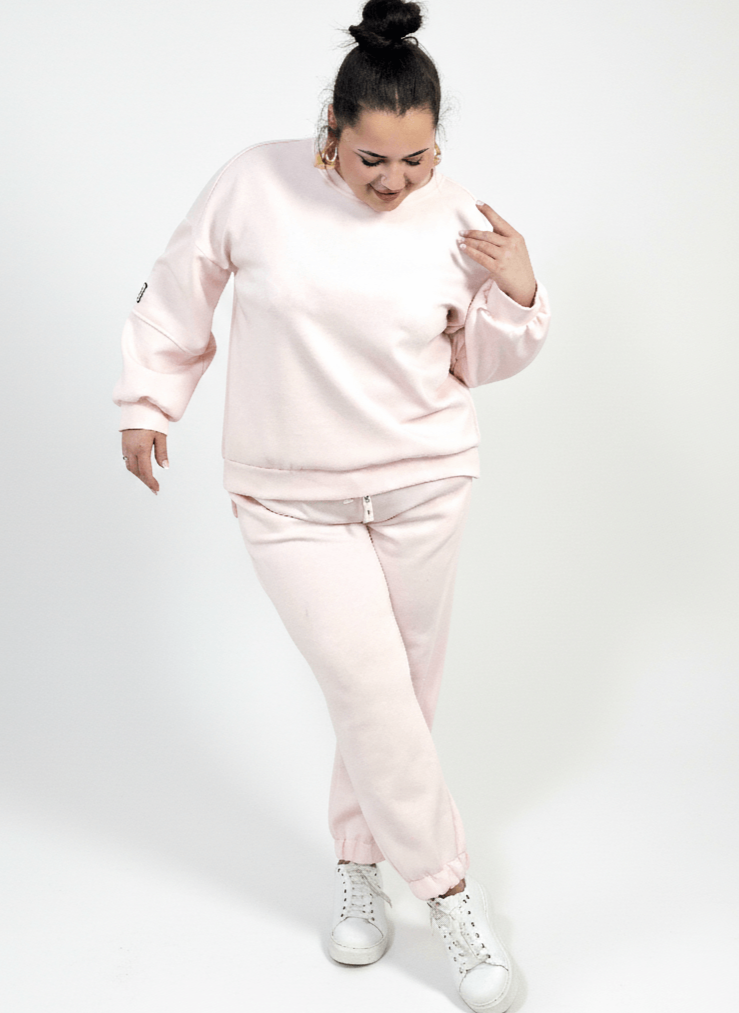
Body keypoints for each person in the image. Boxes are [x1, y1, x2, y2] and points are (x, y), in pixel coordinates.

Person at [114, 1, 550, 1009]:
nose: (395, 182)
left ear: (437, 144)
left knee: (400, 696)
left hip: (424, 480)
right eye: (372, 161)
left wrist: (519, 293)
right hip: (288, 494)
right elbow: (181, 286)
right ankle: (449, 892)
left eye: (417, 160)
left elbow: (476, 362)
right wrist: (145, 399)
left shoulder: (460, 219)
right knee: (369, 689)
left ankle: (360, 867)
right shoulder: (252, 184)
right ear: (330, 133)